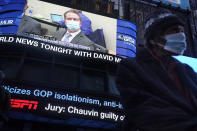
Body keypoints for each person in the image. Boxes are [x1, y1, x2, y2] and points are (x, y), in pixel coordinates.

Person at [116, 9, 197, 131]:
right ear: (154, 39)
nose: (182, 36)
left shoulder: (187, 71)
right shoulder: (132, 68)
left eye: (182, 31)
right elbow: (146, 113)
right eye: (175, 30)